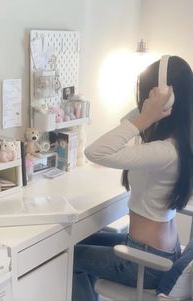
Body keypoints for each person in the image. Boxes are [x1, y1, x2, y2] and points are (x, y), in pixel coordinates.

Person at [72, 55, 193, 301]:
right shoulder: (181, 139)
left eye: (149, 97)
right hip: (158, 250)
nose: (146, 102)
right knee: (79, 240)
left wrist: (147, 116)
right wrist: (152, 110)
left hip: (145, 262)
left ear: (168, 97)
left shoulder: (165, 151)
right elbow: (125, 124)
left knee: (69, 257)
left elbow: (95, 152)